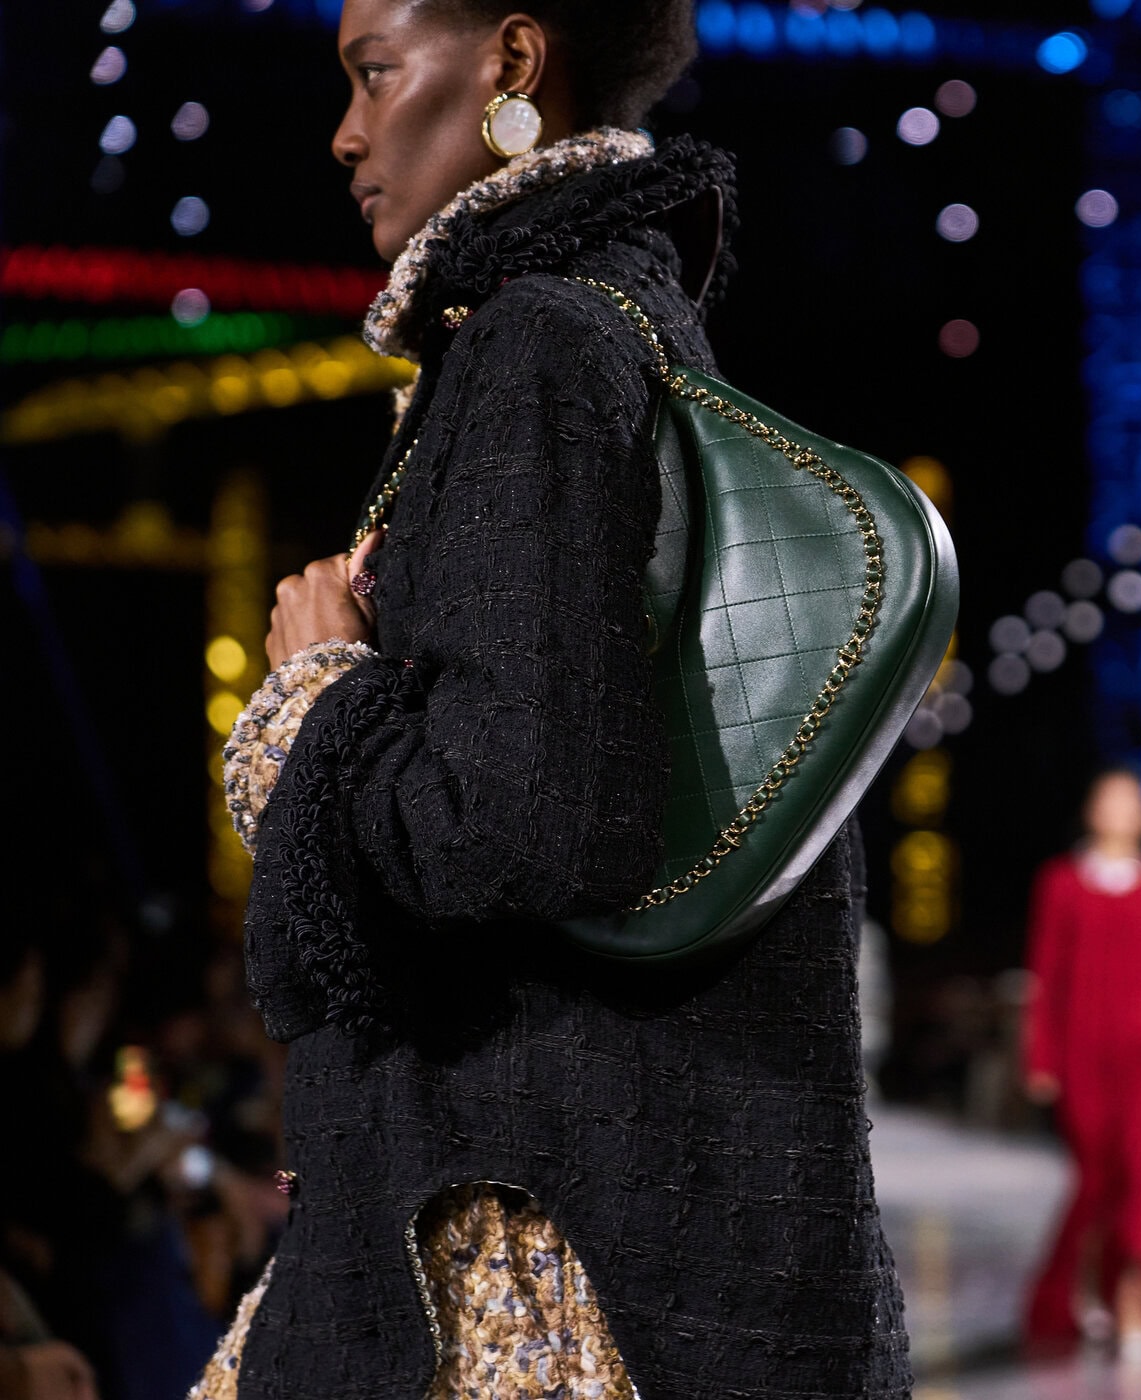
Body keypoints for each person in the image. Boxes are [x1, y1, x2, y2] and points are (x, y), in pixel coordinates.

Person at [194, 3, 909, 1396]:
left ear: (514, 66)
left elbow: (514, 823)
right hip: (598, 1220)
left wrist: (310, 693)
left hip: (528, 1258)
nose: (344, 133)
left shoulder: (537, 345)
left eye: (374, 74)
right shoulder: (612, 325)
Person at [1020, 770, 1141, 1359]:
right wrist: (1040, 1055)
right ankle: (1072, 1292)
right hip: (1083, 1055)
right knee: (1096, 1179)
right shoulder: (1060, 882)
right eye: (1109, 799)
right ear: (1090, 810)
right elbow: (1045, 973)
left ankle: (1132, 1298)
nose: (1120, 810)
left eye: (1131, 801)